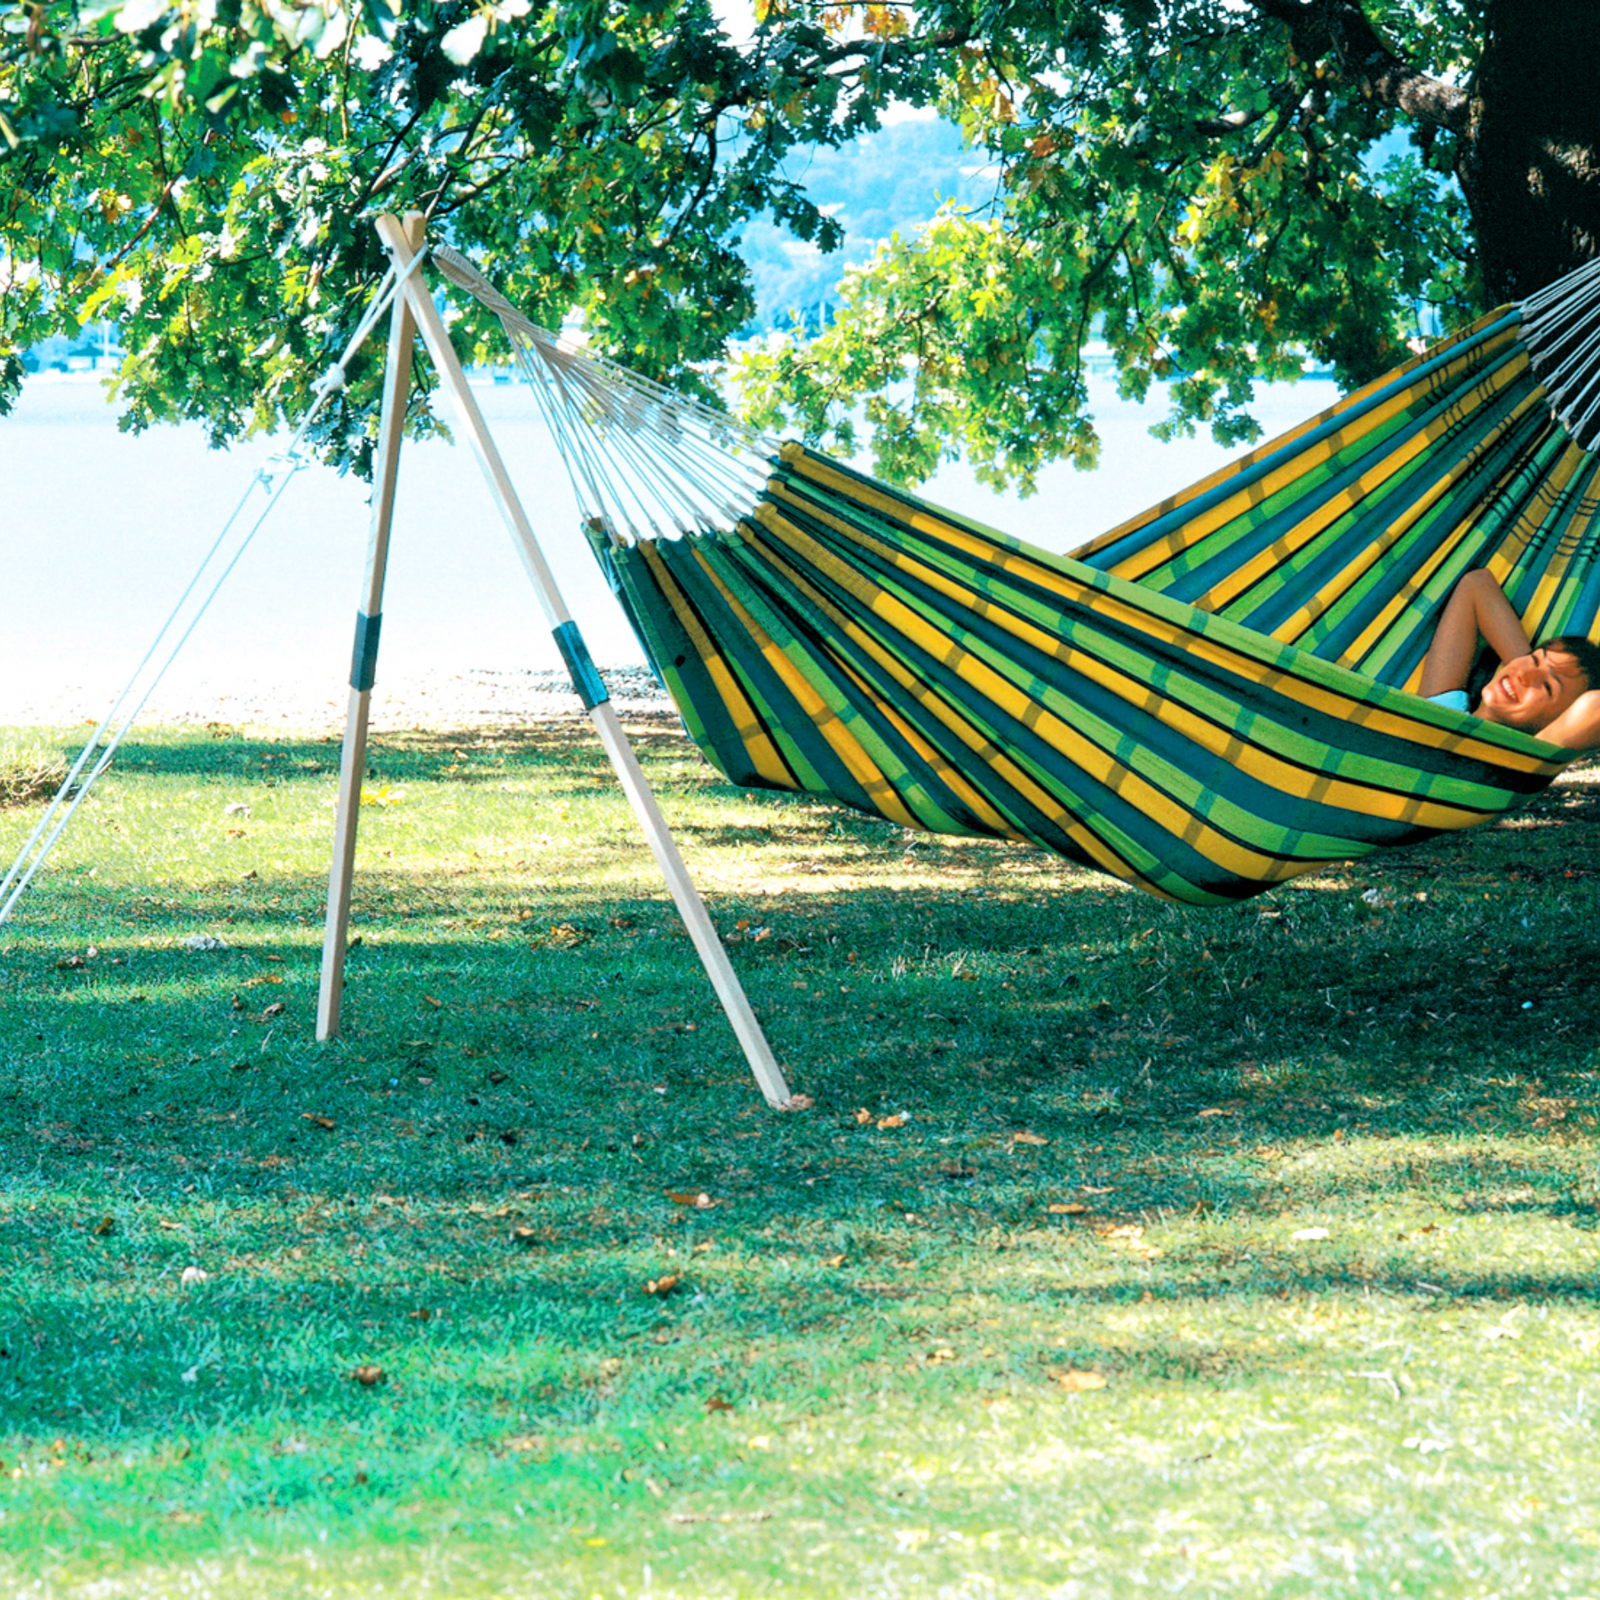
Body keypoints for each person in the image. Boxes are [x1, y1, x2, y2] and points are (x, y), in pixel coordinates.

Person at [1419, 568, 1600, 749]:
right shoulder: (1441, 710)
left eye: (1548, 686)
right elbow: (1476, 584)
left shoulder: (1518, 768)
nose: (1524, 672)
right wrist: (1519, 674)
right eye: (1535, 659)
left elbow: (1595, 706)